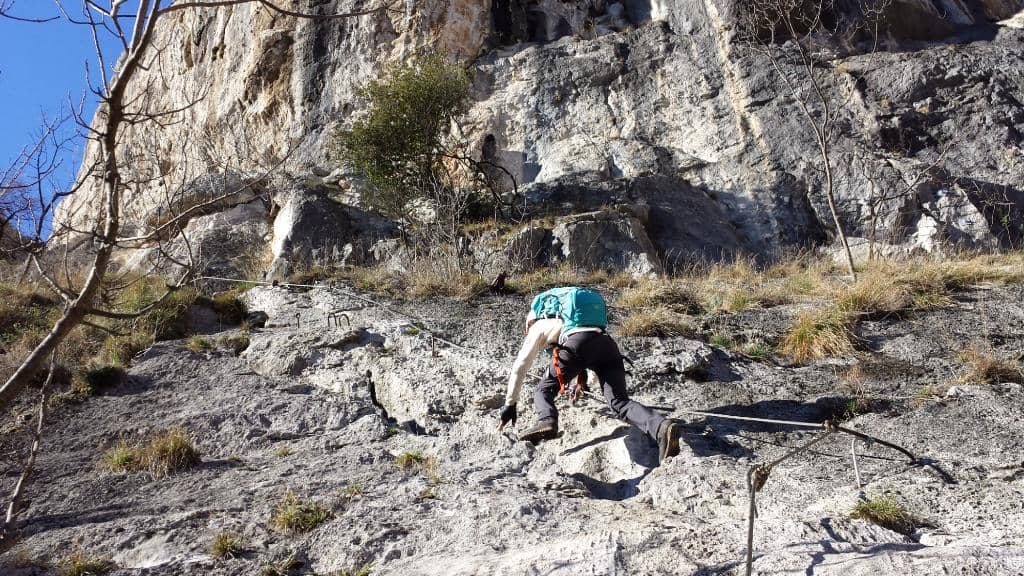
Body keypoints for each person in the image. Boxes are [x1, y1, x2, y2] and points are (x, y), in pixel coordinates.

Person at [498, 286, 681, 462]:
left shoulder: (538, 325)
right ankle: (661, 427)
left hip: (578, 345)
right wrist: (584, 384)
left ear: (530, 321)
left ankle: (547, 420)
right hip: (607, 344)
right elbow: (589, 360)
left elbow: (520, 365)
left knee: (543, 389)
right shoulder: (570, 319)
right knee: (619, 402)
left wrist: (510, 404)